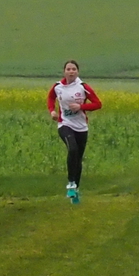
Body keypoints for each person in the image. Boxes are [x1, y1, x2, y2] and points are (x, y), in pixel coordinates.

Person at [48, 62, 102, 203]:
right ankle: (71, 183)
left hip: (81, 127)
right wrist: (52, 111)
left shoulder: (83, 87)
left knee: (78, 158)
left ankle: (75, 190)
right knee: (72, 149)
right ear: (64, 71)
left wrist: (80, 107)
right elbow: (50, 98)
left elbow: (98, 104)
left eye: (74, 69)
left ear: (77, 72)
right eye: (68, 69)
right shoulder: (58, 86)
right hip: (65, 124)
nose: (71, 72)